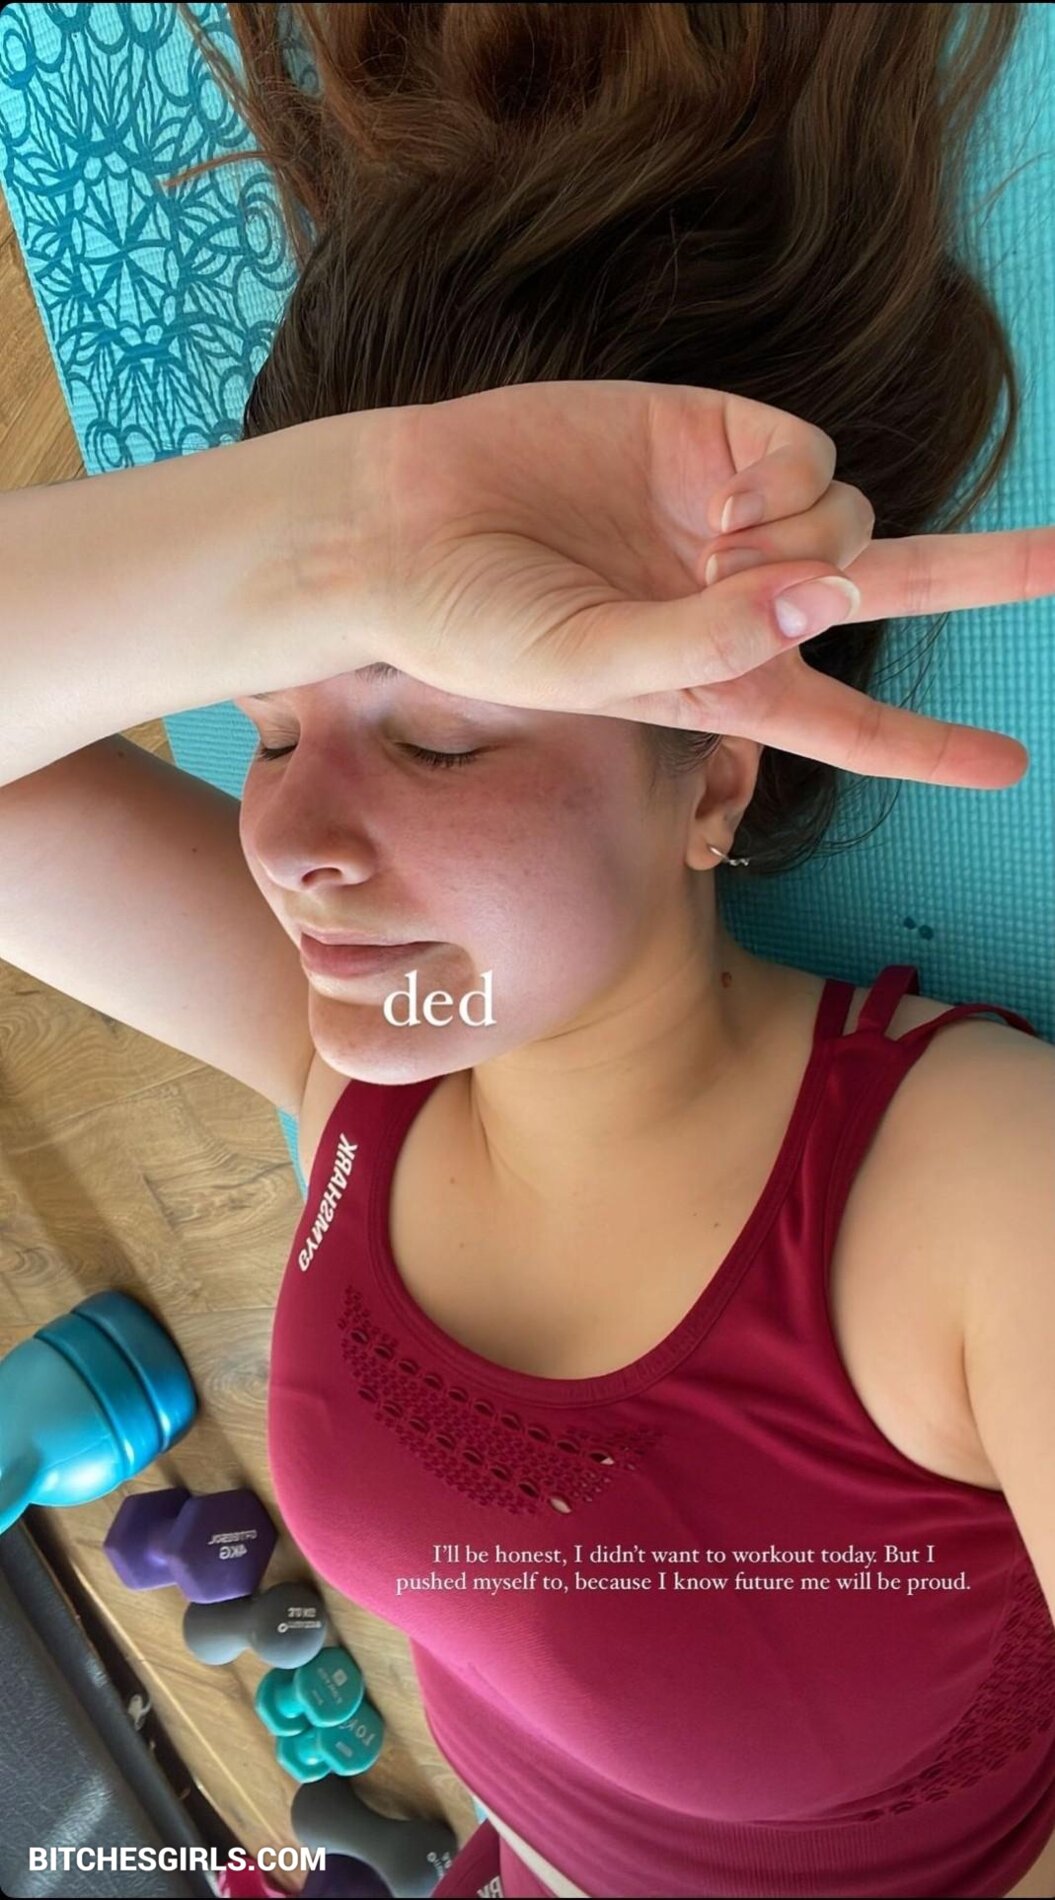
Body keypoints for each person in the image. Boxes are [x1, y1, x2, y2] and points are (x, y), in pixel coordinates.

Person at [1, 5, 1052, 1897]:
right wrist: (335, 536)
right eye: (266, 728)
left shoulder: (980, 1202)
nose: (287, 844)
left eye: (435, 740)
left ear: (710, 777)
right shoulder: (363, 1065)